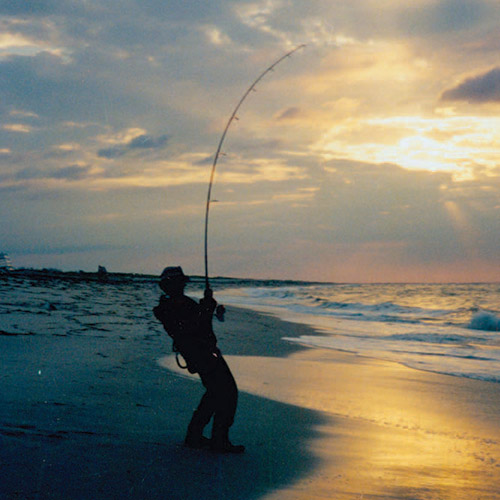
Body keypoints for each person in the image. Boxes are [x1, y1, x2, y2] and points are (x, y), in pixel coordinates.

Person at [153, 266, 244, 453]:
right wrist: (207, 307)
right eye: (178, 282)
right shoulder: (170, 307)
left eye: (182, 282)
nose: (182, 285)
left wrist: (208, 307)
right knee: (227, 392)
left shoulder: (176, 304)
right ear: (169, 285)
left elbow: (199, 322)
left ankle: (195, 435)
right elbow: (193, 326)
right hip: (201, 354)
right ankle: (218, 440)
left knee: (215, 392)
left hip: (201, 353)